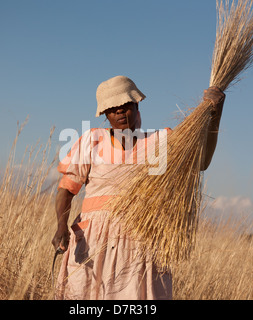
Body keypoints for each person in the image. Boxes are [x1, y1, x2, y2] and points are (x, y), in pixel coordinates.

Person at [52, 75, 225, 300]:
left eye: (126, 106)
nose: (121, 112)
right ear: (105, 114)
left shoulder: (160, 142)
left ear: (137, 104)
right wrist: (61, 226)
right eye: (113, 109)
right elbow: (66, 189)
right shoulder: (92, 141)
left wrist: (215, 113)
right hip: (92, 242)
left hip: (141, 242)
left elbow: (201, 162)